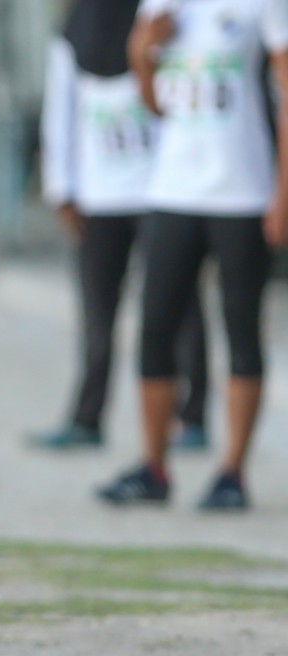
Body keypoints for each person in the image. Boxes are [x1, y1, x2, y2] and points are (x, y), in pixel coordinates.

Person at [99, 0, 288, 509]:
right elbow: (155, 105)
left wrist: (283, 190)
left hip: (242, 191)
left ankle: (232, 472)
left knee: (242, 329)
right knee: (156, 328)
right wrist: (140, 53)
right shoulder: (160, 4)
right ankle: (154, 467)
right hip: (172, 188)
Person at [32, 0, 211, 452]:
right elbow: (61, 110)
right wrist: (62, 186)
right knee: (97, 313)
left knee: (179, 306)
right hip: (100, 191)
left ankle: (192, 416)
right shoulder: (77, 27)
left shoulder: (162, 15)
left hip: (163, 188)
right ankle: (87, 416)